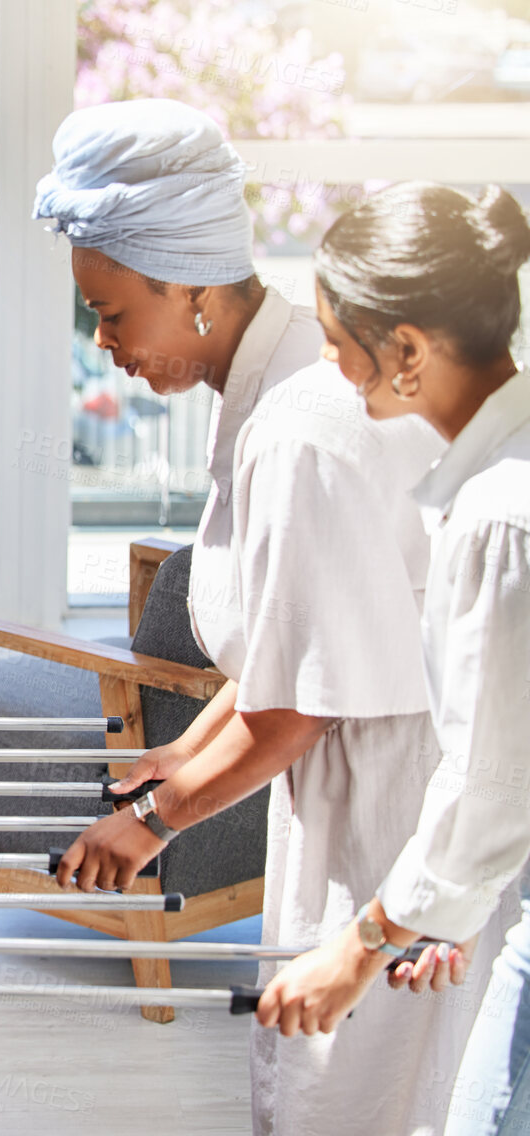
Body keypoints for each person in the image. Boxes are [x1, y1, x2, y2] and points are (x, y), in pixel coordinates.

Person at [39, 102, 489, 1136]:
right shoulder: (277, 375)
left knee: (360, 1093)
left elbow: (298, 704)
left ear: (191, 289)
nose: (100, 343)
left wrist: (147, 823)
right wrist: (181, 751)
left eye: (110, 314)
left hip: (397, 798)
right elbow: (294, 629)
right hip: (361, 775)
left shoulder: (299, 424)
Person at [253, 183, 530, 1135]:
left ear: (406, 349)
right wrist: (439, 910)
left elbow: (496, 781)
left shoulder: (502, 512)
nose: (330, 364)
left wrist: (362, 944)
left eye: (337, 339)